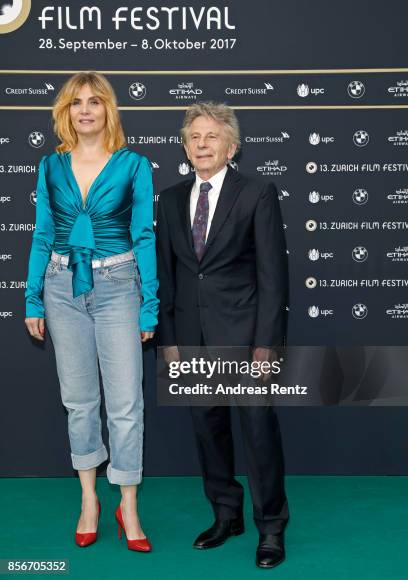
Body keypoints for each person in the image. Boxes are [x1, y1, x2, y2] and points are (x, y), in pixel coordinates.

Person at [25, 72, 158, 551]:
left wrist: (149, 307)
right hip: (61, 287)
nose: (85, 110)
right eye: (77, 102)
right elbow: (42, 233)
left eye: (94, 102)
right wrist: (32, 297)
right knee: (79, 400)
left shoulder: (134, 165)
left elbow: (144, 237)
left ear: (108, 111)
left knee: (125, 405)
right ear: (66, 111)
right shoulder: (50, 166)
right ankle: (88, 499)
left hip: (119, 286)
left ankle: (129, 506)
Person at [156, 102, 289, 568]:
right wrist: (169, 340)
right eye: (193, 137)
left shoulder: (257, 193)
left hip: (246, 337)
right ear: (185, 147)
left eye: (211, 136)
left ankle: (270, 527)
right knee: (208, 433)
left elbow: (274, 277)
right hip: (191, 338)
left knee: (258, 434)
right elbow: (168, 278)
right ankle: (226, 515)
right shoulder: (170, 199)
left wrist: (267, 345)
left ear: (231, 147)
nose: (201, 144)